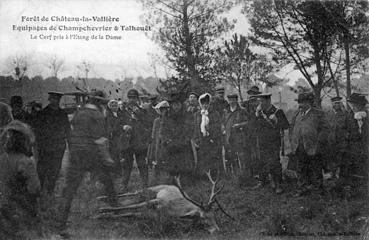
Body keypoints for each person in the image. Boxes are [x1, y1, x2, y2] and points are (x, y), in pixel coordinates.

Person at [57, 90, 118, 238]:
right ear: (100, 103)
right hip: (91, 155)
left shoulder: (79, 113)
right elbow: (100, 141)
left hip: (75, 155)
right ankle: (116, 209)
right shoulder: (97, 115)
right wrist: (108, 160)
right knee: (108, 180)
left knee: (69, 189)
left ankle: (60, 224)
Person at [0, 120, 41, 239]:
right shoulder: (25, 162)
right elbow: (35, 189)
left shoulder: (1, 159)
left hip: (3, 211)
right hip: (21, 212)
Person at [289, 92, 329, 196]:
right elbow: (292, 128)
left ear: (309, 102)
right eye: (299, 102)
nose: (300, 105)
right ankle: (302, 188)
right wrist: (293, 142)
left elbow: (325, 129)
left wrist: (318, 142)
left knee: (316, 168)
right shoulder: (297, 114)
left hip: (313, 147)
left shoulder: (318, 113)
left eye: (302, 102)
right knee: (301, 168)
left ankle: (318, 190)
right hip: (300, 146)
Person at [254, 93, 289, 194]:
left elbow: (286, 125)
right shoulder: (260, 113)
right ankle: (270, 181)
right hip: (262, 142)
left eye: (262, 101)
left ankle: (278, 184)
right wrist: (256, 116)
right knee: (264, 162)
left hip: (273, 143)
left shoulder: (278, 112)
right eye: (260, 101)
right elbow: (254, 127)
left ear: (268, 101)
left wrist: (276, 120)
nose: (260, 104)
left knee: (275, 163)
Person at [37, 92, 71, 195]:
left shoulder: (63, 114)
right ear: (49, 99)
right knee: (42, 169)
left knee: (55, 169)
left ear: (59, 100)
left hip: (58, 146)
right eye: (52, 99)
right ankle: (39, 190)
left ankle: (50, 191)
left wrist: (70, 143)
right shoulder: (42, 113)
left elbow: (67, 130)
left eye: (56, 99)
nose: (54, 101)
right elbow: (38, 130)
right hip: (45, 146)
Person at [118, 89, 150, 191]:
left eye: (134, 98)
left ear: (137, 99)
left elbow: (147, 124)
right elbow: (117, 124)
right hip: (127, 142)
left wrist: (139, 115)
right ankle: (124, 186)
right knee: (127, 165)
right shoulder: (122, 111)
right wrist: (123, 126)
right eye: (130, 98)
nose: (132, 100)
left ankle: (145, 185)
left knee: (142, 164)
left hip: (139, 141)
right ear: (127, 98)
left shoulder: (142, 111)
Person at [158, 92, 193, 182]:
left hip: (183, 145)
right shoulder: (166, 116)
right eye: (174, 104)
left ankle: (184, 181)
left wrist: (185, 140)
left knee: (184, 164)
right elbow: (162, 130)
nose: (176, 106)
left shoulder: (186, 115)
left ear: (181, 105)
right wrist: (167, 140)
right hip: (170, 145)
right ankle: (172, 180)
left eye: (178, 104)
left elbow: (189, 129)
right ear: (171, 105)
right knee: (171, 165)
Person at [194, 93, 222, 178]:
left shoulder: (214, 113)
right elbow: (195, 127)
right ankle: (203, 176)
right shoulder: (197, 114)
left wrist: (210, 128)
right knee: (202, 157)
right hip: (201, 139)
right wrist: (196, 139)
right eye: (203, 103)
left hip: (212, 139)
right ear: (200, 104)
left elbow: (218, 126)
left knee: (212, 157)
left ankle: (213, 175)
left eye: (207, 103)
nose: (205, 105)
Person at [346, 93, 368, 196]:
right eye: (352, 105)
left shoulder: (367, 116)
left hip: (366, 147)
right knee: (353, 168)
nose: (354, 107)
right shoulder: (349, 116)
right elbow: (345, 131)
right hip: (353, 147)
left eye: (356, 105)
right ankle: (355, 190)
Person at [223, 94, 248, 175]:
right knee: (229, 156)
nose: (231, 102)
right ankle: (230, 175)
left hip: (239, 137)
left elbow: (248, 122)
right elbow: (222, 122)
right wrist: (223, 129)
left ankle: (242, 175)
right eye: (230, 100)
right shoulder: (225, 111)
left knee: (241, 156)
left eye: (233, 100)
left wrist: (239, 125)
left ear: (236, 100)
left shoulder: (242, 110)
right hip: (228, 137)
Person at [326, 97, 350, 184]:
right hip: (331, 140)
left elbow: (349, 127)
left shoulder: (345, 114)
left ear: (340, 104)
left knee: (341, 158)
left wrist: (346, 136)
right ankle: (332, 174)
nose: (335, 105)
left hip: (341, 140)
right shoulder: (328, 114)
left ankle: (341, 176)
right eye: (334, 103)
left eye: (337, 103)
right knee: (332, 157)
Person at [148, 100, 170, 179]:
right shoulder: (156, 121)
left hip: (166, 142)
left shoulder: (169, 120)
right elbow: (154, 134)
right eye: (162, 110)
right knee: (157, 157)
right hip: (157, 143)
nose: (164, 111)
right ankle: (157, 176)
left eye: (165, 109)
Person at [106, 100, 122, 175]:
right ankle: (116, 171)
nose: (114, 107)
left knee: (121, 153)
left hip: (121, 136)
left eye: (115, 106)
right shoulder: (108, 116)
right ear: (109, 107)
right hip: (114, 137)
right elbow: (109, 127)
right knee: (114, 154)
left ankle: (120, 170)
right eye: (112, 106)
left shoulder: (120, 113)